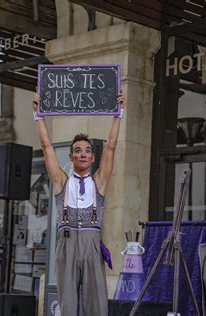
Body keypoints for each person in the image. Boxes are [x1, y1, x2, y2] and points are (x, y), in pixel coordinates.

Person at [32, 92, 125, 316]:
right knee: (68, 302)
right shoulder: (61, 182)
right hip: (67, 243)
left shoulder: (98, 183)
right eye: (78, 151)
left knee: (97, 302)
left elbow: (111, 147)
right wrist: (38, 115)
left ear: (92, 158)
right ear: (72, 157)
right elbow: (46, 147)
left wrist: (118, 114)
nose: (83, 155)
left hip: (92, 241)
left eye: (87, 151)